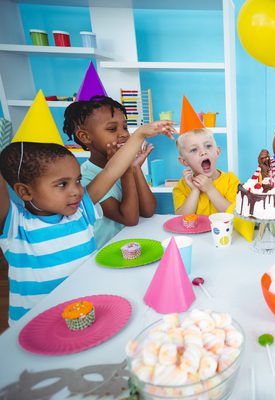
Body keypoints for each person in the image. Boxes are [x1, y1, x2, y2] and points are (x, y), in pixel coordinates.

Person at [0, 122, 175, 324]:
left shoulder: (81, 210)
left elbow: (111, 171)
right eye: (62, 184)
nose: (76, 190)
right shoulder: (15, 226)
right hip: (35, 325)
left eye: (77, 180)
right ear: (25, 192)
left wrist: (140, 135)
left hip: (86, 312)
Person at [63, 96, 156, 247]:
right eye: (112, 129)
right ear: (85, 137)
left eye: (125, 127)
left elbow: (148, 210)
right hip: (103, 252)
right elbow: (129, 219)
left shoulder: (128, 166)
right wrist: (127, 171)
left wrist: (134, 167)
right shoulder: (85, 177)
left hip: (130, 246)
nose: (124, 134)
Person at [173, 128, 239, 215]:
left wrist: (210, 189)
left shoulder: (231, 180)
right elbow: (181, 218)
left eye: (208, 146)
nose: (203, 152)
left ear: (217, 152)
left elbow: (235, 214)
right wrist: (195, 190)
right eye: (194, 150)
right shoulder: (181, 186)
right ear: (184, 161)